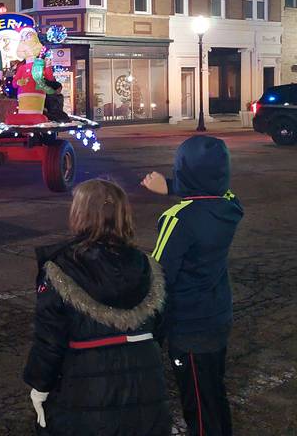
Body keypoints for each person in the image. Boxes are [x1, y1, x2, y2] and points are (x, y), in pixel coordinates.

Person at [23, 179, 170, 435]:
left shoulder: (61, 268)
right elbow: (160, 328)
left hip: (86, 388)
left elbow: (49, 340)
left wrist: (39, 386)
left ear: (80, 213)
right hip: (146, 382)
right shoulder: (146, 265)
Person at [142, 136, 243, 436]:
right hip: (217, 316)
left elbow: (157, 276)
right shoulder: (230, 208)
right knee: (213, 394)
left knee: (198, 406)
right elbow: (219, 192)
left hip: (189, 326)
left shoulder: (177, 219)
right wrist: (173, 187)